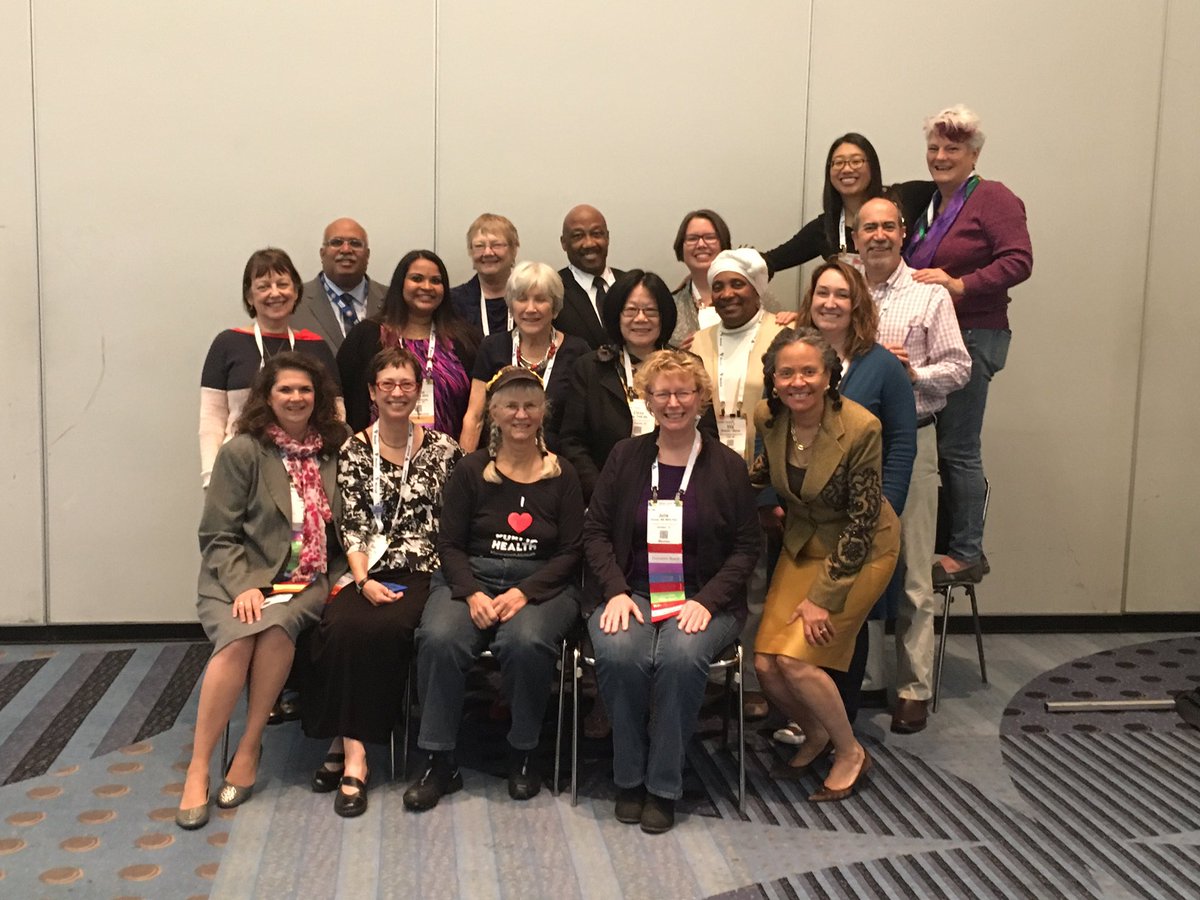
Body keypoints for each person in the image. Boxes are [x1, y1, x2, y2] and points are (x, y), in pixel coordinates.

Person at [583, 350, 760, 833]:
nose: (673, 402)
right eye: (662, 393)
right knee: (620, 655)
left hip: (704, 596)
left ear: (701, 398)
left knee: (680, 660)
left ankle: (663, 786)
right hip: (633, 592)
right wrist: (615, 590)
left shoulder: (726, 465)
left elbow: (747, 548)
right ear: (648, 399)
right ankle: (628, 778)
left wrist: (707, 601)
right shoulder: (625, 456)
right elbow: (595, 531)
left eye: (684, 392)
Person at [177, 353, 349, 829]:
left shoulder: (336, 449)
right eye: (285, 390)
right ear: (266, 397)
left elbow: (349, 528)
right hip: (237, 575)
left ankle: (250, 745)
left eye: (305, 390)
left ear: (318, 397)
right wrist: (244, 587)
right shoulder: (243, 451)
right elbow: (217, 534)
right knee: (237, 642)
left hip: (307, 578)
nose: (296, 399)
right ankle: (198, 768)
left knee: (274, 632)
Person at [404, 367, 583, 810]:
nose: (520, 415)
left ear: (544, 412)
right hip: (472, 578)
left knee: (526, 641)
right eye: (510, 406)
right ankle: (438, 759)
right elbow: (448, 543)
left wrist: (524, 593)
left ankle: (524, 753)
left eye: (530, 406)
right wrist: (471, 592)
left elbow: (572, 551)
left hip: (541, 583)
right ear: (494, 413)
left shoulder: (564, 475)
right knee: (440, 638)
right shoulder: (470, 470)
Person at [302, 347, 463, 817]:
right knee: (337, 624)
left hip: (424, 569)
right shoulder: (354, 449)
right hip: (367, 566)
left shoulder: (444, 449)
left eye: (405, 384)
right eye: (386, 384)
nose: (397, 392)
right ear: (372, 392)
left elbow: (453, 523)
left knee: (385, 629)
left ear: (419, 391)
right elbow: (350, 524)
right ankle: (354, 753)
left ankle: (350, 750)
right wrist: (362, 578)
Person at [751, 328, 900, 801]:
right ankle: (814, 733)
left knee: (796, 663)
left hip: (861, 550)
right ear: (773, 379)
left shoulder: (860, 427)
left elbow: (861, 521)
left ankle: (850, 751)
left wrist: (822, 599)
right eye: (786, 372)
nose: (798, 382)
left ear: (829, 375)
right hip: (803, 542)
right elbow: (763, 473)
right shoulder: (768, 417)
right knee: (765, 664)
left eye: (809, 371)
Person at [899, 105, 1033, 587]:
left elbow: (1019, 260)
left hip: (974, 334)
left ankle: (967, 552)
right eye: (933, 148)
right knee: (931, 447)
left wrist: (961, 285)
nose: (940, 156)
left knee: (958, 448)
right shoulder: (931, 206)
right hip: (934, 338)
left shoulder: (993, 198)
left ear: (973, 155)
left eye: (951, 149)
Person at [856, 195, 971, 734]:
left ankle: (912, 687)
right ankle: (857, 677)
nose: (877, 235)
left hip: (913, 439)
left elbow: (961, 368)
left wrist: (915, 375)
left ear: (903, 233)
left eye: (887, 226)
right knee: (851, 563)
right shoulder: (843, 287)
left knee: (912, 571)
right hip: (848, 446)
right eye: (867, 227)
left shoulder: (928, 297)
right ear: (854, 235)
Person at [788, 258, 916, 731]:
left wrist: (890, 504)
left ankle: (841, 721)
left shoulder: (882, 366)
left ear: (857, 303)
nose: (831, 302)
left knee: (844, 624)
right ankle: (809, 721)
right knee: (806, 620)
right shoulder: (795, 358)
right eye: (823, 292)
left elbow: (903, 442)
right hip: (805, 523)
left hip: (862, 523)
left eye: (842, 294)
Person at [690, 248, 788, 720]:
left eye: (738, 285)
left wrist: (768, 492)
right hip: (706, 479)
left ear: (757, 288)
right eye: (720, 286)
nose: (728, 294)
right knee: (709, 574)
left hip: (762, 480)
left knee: (757, 584)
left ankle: (751, 682)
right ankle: (707, 676)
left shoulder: (784, 339)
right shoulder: (697, 342)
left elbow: (790, 418)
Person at [559, 270, 720, 501]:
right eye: (631, 310)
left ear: (664, 316)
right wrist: (602, 492)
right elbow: (573, 442)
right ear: (616, 314)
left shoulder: (688, 366)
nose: (641, 319)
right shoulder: (590, 368)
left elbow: (706, 434)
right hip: (608, 494)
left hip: (677, 493)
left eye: (651, 311)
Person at [199, 248, 341, 488]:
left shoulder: (316, 346)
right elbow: (212, 419)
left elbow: (336, 413)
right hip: (241, 469)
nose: (275, 293)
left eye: (283, 284)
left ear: (296, 292)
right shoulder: (227, 344)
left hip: (307, 471)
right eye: (263, 286)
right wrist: (211, 476)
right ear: (249, 296)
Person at [338, 250, 480, 439]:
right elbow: (347, 401)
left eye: (436, 281)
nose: (427, 287)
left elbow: (478, 410)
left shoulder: (464, 340)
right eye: (417, 278)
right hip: (377, 459)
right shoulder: (366, 336)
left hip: (450, 460)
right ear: (400, 284)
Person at [459, 262, 589, 452]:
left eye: (540, 299)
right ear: (511, 305)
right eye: (522, 299)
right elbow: (475, 417)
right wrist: (465, 470)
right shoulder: (492, 347)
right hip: (497, 461)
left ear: (555, 307)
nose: (530, 308)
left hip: (557, 465)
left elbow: (582, 428)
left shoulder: (578, 351)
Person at [763, 133, 884, 275]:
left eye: (856, 161)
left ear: (873, 166)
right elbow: (772, 260)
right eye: (838, 163)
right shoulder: (825, 228)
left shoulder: (901, 202)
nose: (846, 169)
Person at [294, 218, 387, 351]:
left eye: (355, 243)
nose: (346, 250)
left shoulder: (392, 300)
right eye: (336, 242)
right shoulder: (295, 301)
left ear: (367, 255)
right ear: (322, 253)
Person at [553, 204, 625, 349]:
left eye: (596, 234)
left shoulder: (631, 284)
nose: (589, 243)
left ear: (608, 237)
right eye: (578, 236)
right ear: (564, 243)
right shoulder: (553, 290)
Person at [449, 213, 521, 336]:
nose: (487, 252)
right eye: (479, 246)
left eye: (496, 245)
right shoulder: (453, 302)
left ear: (514, 249)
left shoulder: (530, 296)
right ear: (470, 251)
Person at [669, 209, 732, 345]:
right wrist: (677, 357)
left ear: (723, 243)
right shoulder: (669, 305)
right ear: (681, 247)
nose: (701, 244)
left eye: (709, 237)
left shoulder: (751, 295)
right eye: (692, 239)